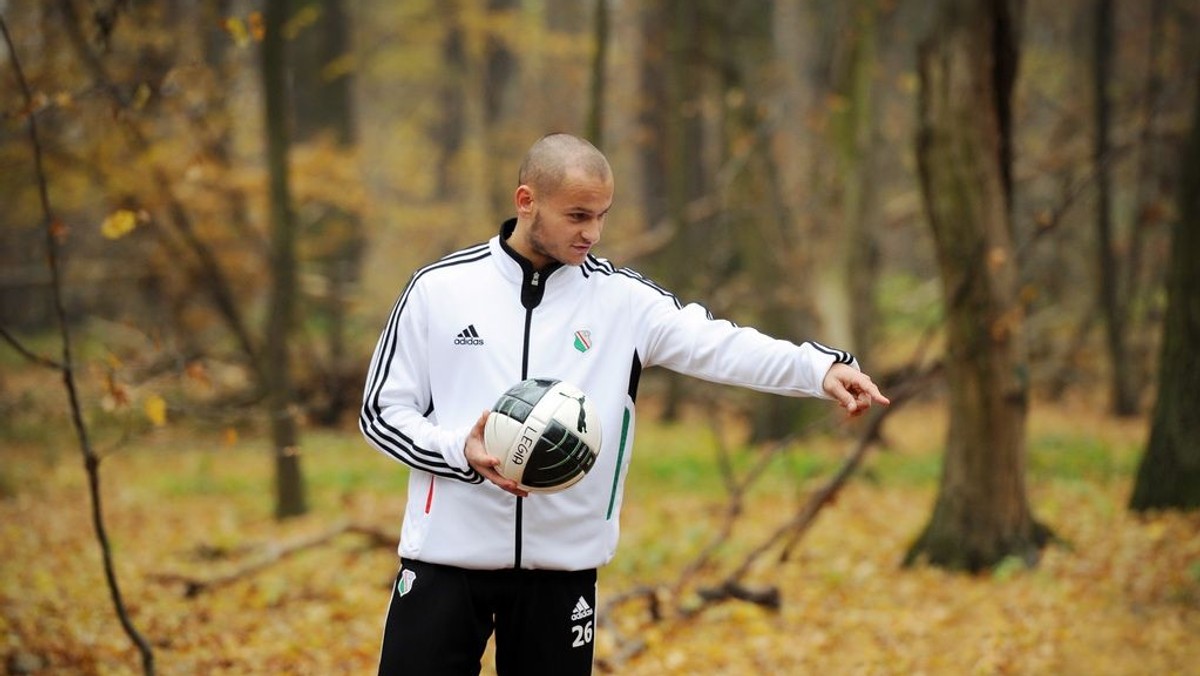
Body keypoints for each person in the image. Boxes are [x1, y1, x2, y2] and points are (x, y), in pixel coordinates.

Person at [359, 132, 889, 675]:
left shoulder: (623, 302)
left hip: (561, 570)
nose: (592, 232)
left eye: (602, 216)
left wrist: (818, 368)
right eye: (577, 215)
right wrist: (457, 450)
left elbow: (721, 343)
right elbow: (381, 412)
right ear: (526, 201)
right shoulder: (439, 288)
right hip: (445, 562)